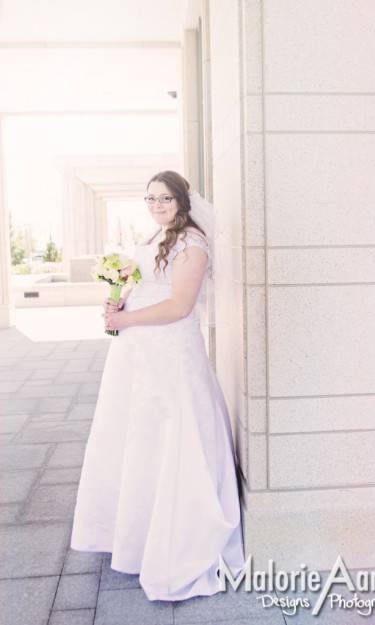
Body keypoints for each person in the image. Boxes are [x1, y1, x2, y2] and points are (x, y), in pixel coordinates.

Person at [70, 170, 245, 601]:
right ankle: (139, 529)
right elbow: (144, 288)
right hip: (138, 353)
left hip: (170, 354)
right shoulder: (152, 240)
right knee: (136, 437)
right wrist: (118, 300)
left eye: (164, 199)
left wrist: (126, 319)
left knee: (170, 433)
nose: (157, 206)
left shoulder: (192, 243)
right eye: (150, 199)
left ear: (181, 201)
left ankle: (180, 536)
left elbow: (181, 306)